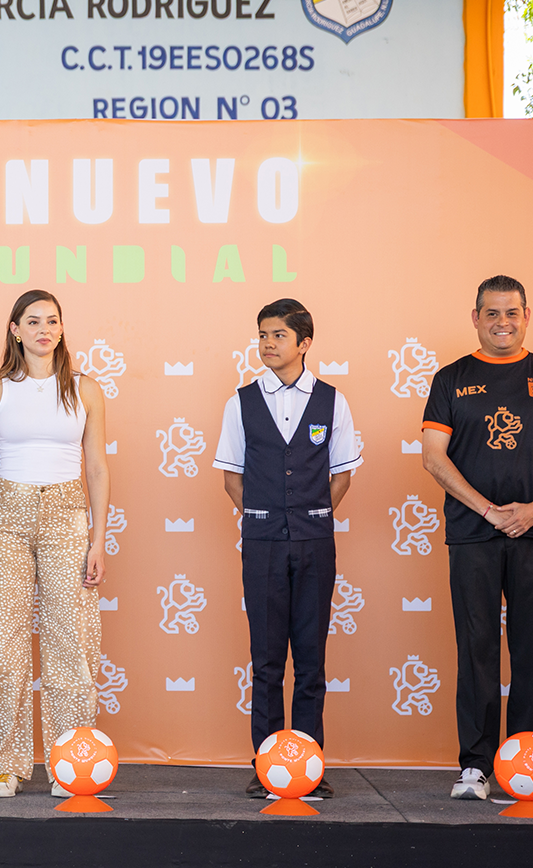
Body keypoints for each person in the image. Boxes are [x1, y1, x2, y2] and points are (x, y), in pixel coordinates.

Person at [212, 298, 360, 800]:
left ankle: (309, 763)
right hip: (262, 543)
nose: (267, 344)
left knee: (312, 660)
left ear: (304, 342)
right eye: (262, 335)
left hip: (316, 542)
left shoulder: (333, 401)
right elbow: (232, 476)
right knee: (268, 658)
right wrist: (262, 515)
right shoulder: (241, 401)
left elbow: (341, 474)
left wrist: (312, 515)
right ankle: (268, 764)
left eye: (278, 335)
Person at [0, 290, 108, 798]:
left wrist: (98, 538)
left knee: (71, 644)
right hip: (6, 515)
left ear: (62, 328)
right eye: (33, 321)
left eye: (52, 321)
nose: (44, 329)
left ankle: (69, 763)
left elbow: (96, 466)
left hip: (69, 517)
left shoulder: (85, 389)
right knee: (2, 649)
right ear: (15, 329)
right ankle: (7, 765)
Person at [422, 274, 533, 801]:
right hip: (472, 535)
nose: (502, 323)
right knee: (478, 650)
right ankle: (476, 767)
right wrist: (490, 511)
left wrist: (530, 512)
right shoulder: (450, 379)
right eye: (492, 313)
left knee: (531, 649)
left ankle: (527, 758)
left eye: (512, 313)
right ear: (475, 318)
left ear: (526, 316)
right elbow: (432, 457)